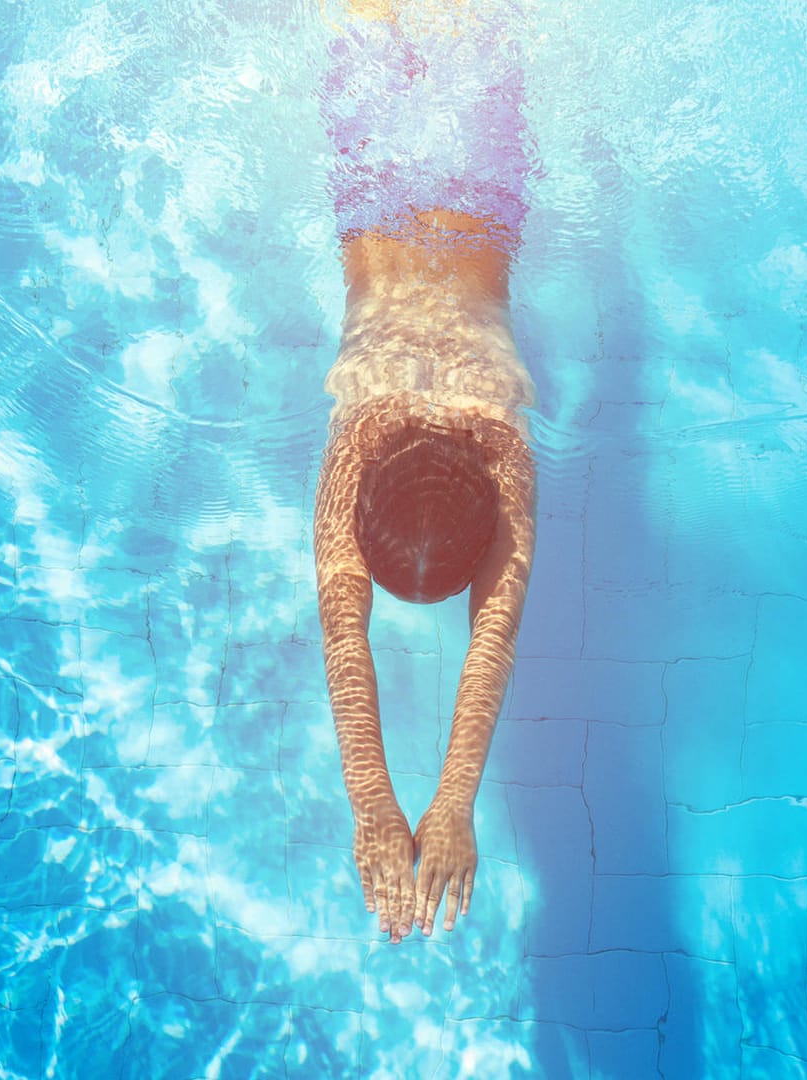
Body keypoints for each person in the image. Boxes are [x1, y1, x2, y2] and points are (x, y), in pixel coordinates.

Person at [314, 0, 538, 944]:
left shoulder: (499, 426)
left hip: (483, 195)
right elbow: (343, 620)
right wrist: (382, 800)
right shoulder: (359, 420)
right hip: (372, 196)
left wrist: (431, 803)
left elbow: (496, 618)